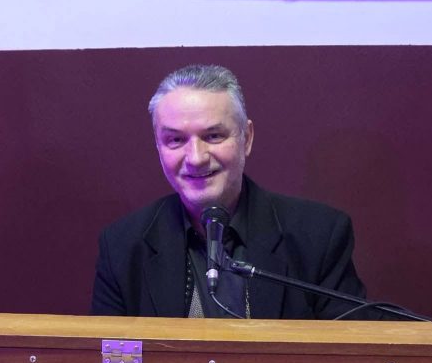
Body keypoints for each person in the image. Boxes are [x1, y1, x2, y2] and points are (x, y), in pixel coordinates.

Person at [91, 64, 391, 320]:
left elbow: (349, 354)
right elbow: (108, 362)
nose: (196, 157)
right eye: (175, 140)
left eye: (213, 136)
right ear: (158, 148)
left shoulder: (318, 236)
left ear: (246, 138)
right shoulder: (122, 246)